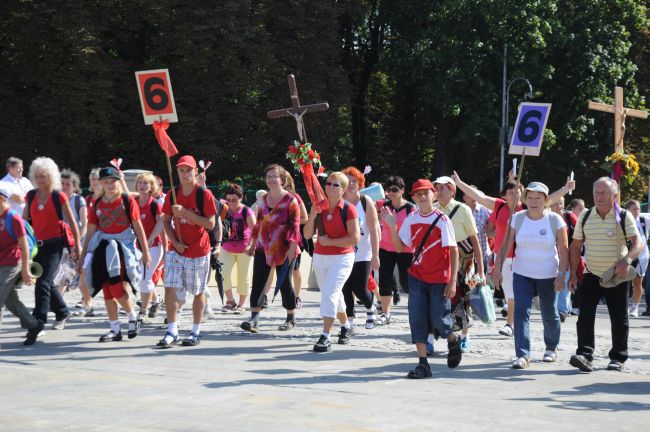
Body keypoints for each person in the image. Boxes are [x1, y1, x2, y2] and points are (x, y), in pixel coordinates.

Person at [452, 171, 574, 337]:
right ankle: (515, 319)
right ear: (505, 195)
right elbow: (479, 197)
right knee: (509, 292)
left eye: (518, 191)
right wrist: (459, 183)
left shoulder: (526, 208)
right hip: (502, 257)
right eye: (511, 192)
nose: (515, 194)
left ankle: (511, 323)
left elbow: (548, 199)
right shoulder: (498, 206)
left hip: (520, 257)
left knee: (514, 294)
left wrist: (565, 189)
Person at [382, 179, 463, 377]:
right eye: (418, 194)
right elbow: (401, 248)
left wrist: (452, 281)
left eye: (425, 193)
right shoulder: (411, 219)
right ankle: (423, 364)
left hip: (438, 278)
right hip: (417, 276)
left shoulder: (442, 219)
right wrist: (392, 227)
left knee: (439, 320)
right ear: (413, 198)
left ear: (433, 195)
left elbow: (454, 252)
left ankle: (452, 340)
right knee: (417, 318)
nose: (422, 197)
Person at [568, 177, 642, 372]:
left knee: (618, 317)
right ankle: (584, 355)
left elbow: (638, 244)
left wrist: (625, 261)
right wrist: (573, 273)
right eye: (596, 192)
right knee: (584, 316)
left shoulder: (623, 216)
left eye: (603, 193)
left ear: (613, 195)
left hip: (616, 275)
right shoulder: (585, 216)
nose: (598, 196)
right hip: (591, 272)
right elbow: (575, 247)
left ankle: (618, 357)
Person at [494, 182, 568, 369]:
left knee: (549, 312)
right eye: (530, 197)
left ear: (546, 200)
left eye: (538, 197)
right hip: (522, 273)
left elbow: (564, 250)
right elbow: (504, 246)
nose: (534, 201)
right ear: (525, 199)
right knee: (520, 313)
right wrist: (497, 270)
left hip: (548, 273)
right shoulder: (517, 218)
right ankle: (522, 355)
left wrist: (561, 275)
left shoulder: (555, 220)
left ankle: (551, 348)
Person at [80, 167, 151, 342]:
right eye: (106, 182)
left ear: (117, 182)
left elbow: (137, 226)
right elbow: (90, 231)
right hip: (103, 247)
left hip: (121, 247)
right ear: (101, 183)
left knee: (116, 286)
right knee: (106, 289)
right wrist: (82, 256)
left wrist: (145, 251)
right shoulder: (96, 203)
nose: (110, 185)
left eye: (113, 181)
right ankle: (115, 329)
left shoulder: (126, 200)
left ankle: (133, 316)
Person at [158, 155, 217, 347]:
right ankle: (172, 330)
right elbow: (165, 221)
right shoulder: (172, 194)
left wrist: (185, 213)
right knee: (169, 287)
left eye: (188, 170)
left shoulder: (204, 195)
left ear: (195, 172)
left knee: (198, 292)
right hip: (177, 250)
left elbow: (210, 224)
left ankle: (195, 331)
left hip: (199, 250)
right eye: (181, 170)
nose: (184, 174)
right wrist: (174, 242)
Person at [240, 164, 300, 333]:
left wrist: (292, 249)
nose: (271, 180)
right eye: (268, 177)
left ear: (282, 179)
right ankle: (254, 318)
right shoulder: (263, 199)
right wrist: (252, 244)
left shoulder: (290, 200)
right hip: (263, 246)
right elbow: (258, 223)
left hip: (285, 247)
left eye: (274, 176)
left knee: (284, 283)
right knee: (258, 280)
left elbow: (295, 227)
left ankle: (291, 317)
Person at [304, 171, 360, 351]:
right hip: (320, 257)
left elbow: (355, 238)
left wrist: (331, 242)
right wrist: (312, 215)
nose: (330, 187)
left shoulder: (349, 208)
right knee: (334, 295)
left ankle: (325, 335)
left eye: (335, 185)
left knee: (329, 293)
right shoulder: (319, 206)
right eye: (328, 183)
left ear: (343, 189)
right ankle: (346, 327)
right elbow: (306, 234)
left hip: (343, 257)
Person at [25, 157, 80, 330]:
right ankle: (62, 311)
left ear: (51, 177)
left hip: (54, 245)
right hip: (36, 246)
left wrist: (77, 245)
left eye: (44, 176)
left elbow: (72, 223)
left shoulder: (59, 196)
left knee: (42, 282)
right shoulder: (31, 195)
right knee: (46, 281)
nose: (41, 179)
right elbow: (24, 221)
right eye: (38, 176)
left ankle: (38, 321)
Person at [433, 176, 485, 354]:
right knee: (438, 297)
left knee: (465, 297)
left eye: (442, 189)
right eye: (436, 188)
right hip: (441, 258)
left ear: (452, 190)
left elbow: (475, 240)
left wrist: (481, 269)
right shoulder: (433, 209)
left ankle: (465, 336)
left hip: (465, 259)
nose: (438, 192)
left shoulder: (463, 209)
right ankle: (433, 336)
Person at [0, 184, 44, 346]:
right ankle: (34, 325)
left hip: (12, 263)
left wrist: (26, 269)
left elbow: (24, 245)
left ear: (2, 199)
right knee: (10, 300)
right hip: (1, 262)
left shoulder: (13, 218)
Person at [341, 166, 380, 333]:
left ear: (360, 183)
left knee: (360, 288)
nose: (350, 184)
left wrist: (376, 255)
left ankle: (370, 307)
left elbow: (373, 230)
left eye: (354, 181)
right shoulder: (339, 202)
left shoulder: (365, 202)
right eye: (347, 181)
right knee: (345, 288)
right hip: (343, 253)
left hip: (364, 253)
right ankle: (349, 323)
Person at [377, 176, 416, 324]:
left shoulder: (411, 208)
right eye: (389, 190)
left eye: (395, 190)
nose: (391, 193)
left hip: (406, 249)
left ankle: (414, 311)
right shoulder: (384, 207)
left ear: (402, 191)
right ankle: (385, 314)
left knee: (406, 283)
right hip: (386, 248)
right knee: (385, 280)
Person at [220, 183, 256, 314]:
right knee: (223, 273)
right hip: (226, 247)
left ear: (241, 198)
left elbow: (255, 230)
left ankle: (241, 303)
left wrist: (251, 246)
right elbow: (209, 199)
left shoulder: (247, 211)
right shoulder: (224, 208)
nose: (231, 203)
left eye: (234, 200)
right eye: (228, 200)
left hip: (244, 249)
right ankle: (230, 300)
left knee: (243, 276)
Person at [134, 172, 165, 321]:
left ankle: (143, 310)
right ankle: (157, 300)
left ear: (151, 186)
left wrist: (151, 238)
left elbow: (161, 224)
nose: (142, 185)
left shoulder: (155, 204)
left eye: (145, 183)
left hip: (154, 246)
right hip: (137, 246)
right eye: (140, 182)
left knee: (145, 279)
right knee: (142, 278)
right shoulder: (133, 202)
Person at [550, 196, 584, 321]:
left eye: (561, 204)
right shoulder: (545, 218)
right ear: (550, 205)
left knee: (564, 281)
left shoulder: (570, 218)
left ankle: (562, 310)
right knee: (552, 284)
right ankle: (560, 308)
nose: (559, 206)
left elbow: (580, 235)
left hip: (567, 255)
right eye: (556, 204)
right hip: (550, 256)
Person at [57, 169, 88, 296]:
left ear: (74, 187)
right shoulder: (56, 200)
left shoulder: (78, 201)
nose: (64, 186)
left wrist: (77, 243)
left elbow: (85, 223)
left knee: (66, 273)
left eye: (68, 184)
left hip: (75, 242)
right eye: (62, 183)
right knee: (66, 273)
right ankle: (87, 302)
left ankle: (57, 303)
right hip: (60, 241)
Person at [281, 172, 309, 309]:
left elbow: (305, 218)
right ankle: (265, 298)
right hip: (276, 240)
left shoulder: (295, 197)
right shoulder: (270, 197)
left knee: (295, 270)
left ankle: (296, 297)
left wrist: (289, 223)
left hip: (293, 239)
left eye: (281, 178)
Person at [624, 200, 648, 318]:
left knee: (637, 283)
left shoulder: (643, 220)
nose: (637, 211)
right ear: (628, 210)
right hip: (625, 255)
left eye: (638, 209)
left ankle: (635, 308)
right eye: (634, 209)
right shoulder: (622, 221)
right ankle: (623, 306)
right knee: (622, 282)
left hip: (641, 256)